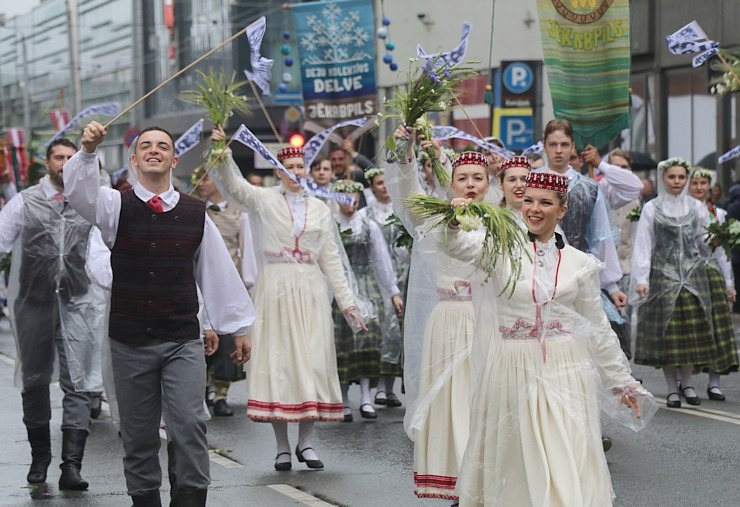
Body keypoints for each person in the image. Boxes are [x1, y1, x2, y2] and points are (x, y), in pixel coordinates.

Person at [64, 121, 255, 507]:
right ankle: (145, 499)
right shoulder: (114, 204)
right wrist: (87, 152)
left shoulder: (195, 213)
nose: (154, 150)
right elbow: (80, 195)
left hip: (181, 338)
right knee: (137, 434)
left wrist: (237, 328)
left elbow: (215, 273)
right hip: (129, 338)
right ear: (133, 160)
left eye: (162, 146)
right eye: (145, 145)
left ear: (174, 158)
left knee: (190, 425)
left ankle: (190, 499)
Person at [447, 171, 651, 506]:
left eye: (545, 202)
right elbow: (456, 246)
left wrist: (620, 380)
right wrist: (455, 220)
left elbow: (597, 327)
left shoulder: (579, 264)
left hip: (565, 369)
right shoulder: (498, 249)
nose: (534, 209)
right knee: (518, 454)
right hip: (512, 368)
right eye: (528, 200)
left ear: (562, 209)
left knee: (562, 452)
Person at [209, 130, 367, 472]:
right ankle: (282, 447)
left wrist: (348, 303)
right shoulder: (264, 201)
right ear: (278, 171)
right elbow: (234, 188)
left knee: (312, 363)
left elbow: (332, 260)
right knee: (278, 366)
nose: (296, 171)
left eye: (301, 165)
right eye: (289, 166)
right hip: (275, 289)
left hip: (310, 291)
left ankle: (306, 443)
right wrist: (222, 154)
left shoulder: (320, 210)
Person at [387, 124, 486, 502]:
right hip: (448, 321)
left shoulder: (501, 221)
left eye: (478, 177)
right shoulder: (433, 219)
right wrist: (407, 151)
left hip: (487, 321)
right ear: (451, 182)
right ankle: (456, 481)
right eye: (462, 177)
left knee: (483, 401)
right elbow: (407, 193)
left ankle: (483, 478)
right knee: (451, 404)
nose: (471, 184)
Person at [0, 138, 106, 490]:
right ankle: (40, 456)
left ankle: (71, 465)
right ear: (47, 163)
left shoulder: (90, 204)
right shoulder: (24, 202)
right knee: (34, 382)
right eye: (58, 157)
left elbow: (109, 249)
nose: (64, 163)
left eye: (70, 158)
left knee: (77, 382)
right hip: (33, 304)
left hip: (78, 303)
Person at [631, 157, 733, 409]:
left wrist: (716, 241)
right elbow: (643, 245)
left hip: (693, 277)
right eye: (672, 177)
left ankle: (687, 383)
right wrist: (642, 279)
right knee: (669, 336)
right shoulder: (652, 208)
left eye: (680, 177)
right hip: (662, 277)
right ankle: (670, 388)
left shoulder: (695, 207)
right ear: (664, 178)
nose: (676, 182)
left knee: (690, 332)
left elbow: (704, 243)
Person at [331, 179, 404, 421]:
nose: (348, 201)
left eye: (352, 196)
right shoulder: (330, 225)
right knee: (341, 342)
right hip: (342, 286)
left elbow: (381, 260)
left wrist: (393, 291)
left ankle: (365, 397)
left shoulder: (367, 225)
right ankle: (342, 400)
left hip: (367, 284)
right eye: (343, 196)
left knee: (369, 339)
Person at [193, 167, 258, 416]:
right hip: (200, 284)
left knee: (228, 339)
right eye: (198, 177)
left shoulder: (238, 213)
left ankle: (221, 393)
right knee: (202, 340)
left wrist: (247, 285)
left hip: (229, 284)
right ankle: (202, 387)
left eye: (206, 177)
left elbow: (246, 250)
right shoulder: (197, 210)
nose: (200, 183)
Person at [688, 167, 738, 399]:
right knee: (690, 327)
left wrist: (730, 284)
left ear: (710, 187)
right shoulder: (683, 211)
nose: (699, 187)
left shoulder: (718, 214)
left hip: (712, 272)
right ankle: (683, 379)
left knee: (717, 327)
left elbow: (722, 254)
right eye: (695, 183)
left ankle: (714, 382)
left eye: (703, 183)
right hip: (688, 273)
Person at [362, 167, 408, 407]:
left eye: (388, 183)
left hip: (400, 274)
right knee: (380, 329)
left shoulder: (401, 212)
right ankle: (376, 386)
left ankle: (389, 388)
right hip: (375, 277)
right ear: (372, 186)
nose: (384, 187)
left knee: (398, 331)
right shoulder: (365, 214)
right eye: (380, 183)